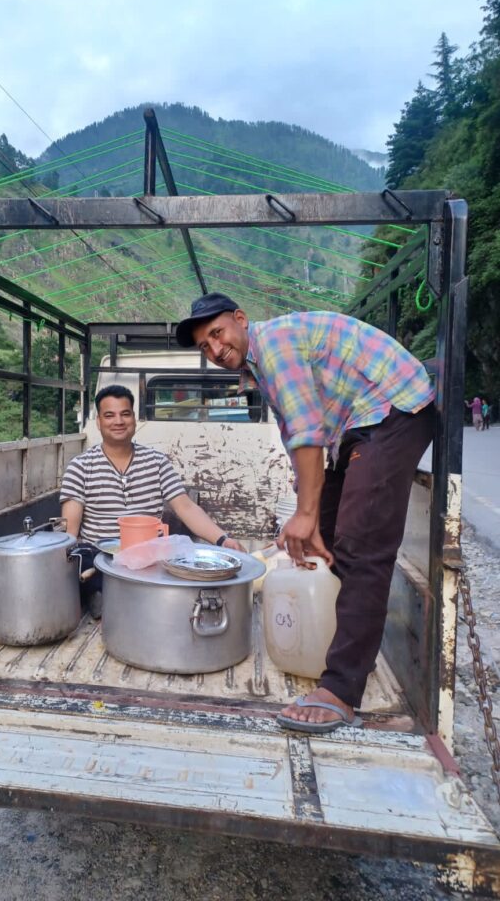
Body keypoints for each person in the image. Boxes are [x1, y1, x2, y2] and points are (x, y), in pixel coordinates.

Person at [176, 293, 435, 734]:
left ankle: (342, 689)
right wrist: (305, 511)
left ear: (240, 320)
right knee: (326, 539)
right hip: (353, 427)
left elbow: (307, 432)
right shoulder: (257, 370)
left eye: (217, 334)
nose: (215, 350)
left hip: (392, 409)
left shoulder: (274, 343)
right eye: (204, 346)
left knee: (359, 545)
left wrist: (305, 514)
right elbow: (297, 436)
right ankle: (336, 647)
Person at [60, 384, 245, 618]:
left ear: (134, 420)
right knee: (87, 559)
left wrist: (223, 539)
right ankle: (105, 597)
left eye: (125, 414)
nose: (118, 421)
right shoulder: (80, 467)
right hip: (102, 558)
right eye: (110, 415)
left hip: (150, 557)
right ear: (99, 422)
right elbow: (69, 533)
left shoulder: (156, 462)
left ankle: (133, 599)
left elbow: (185, 507)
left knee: (189, 569)